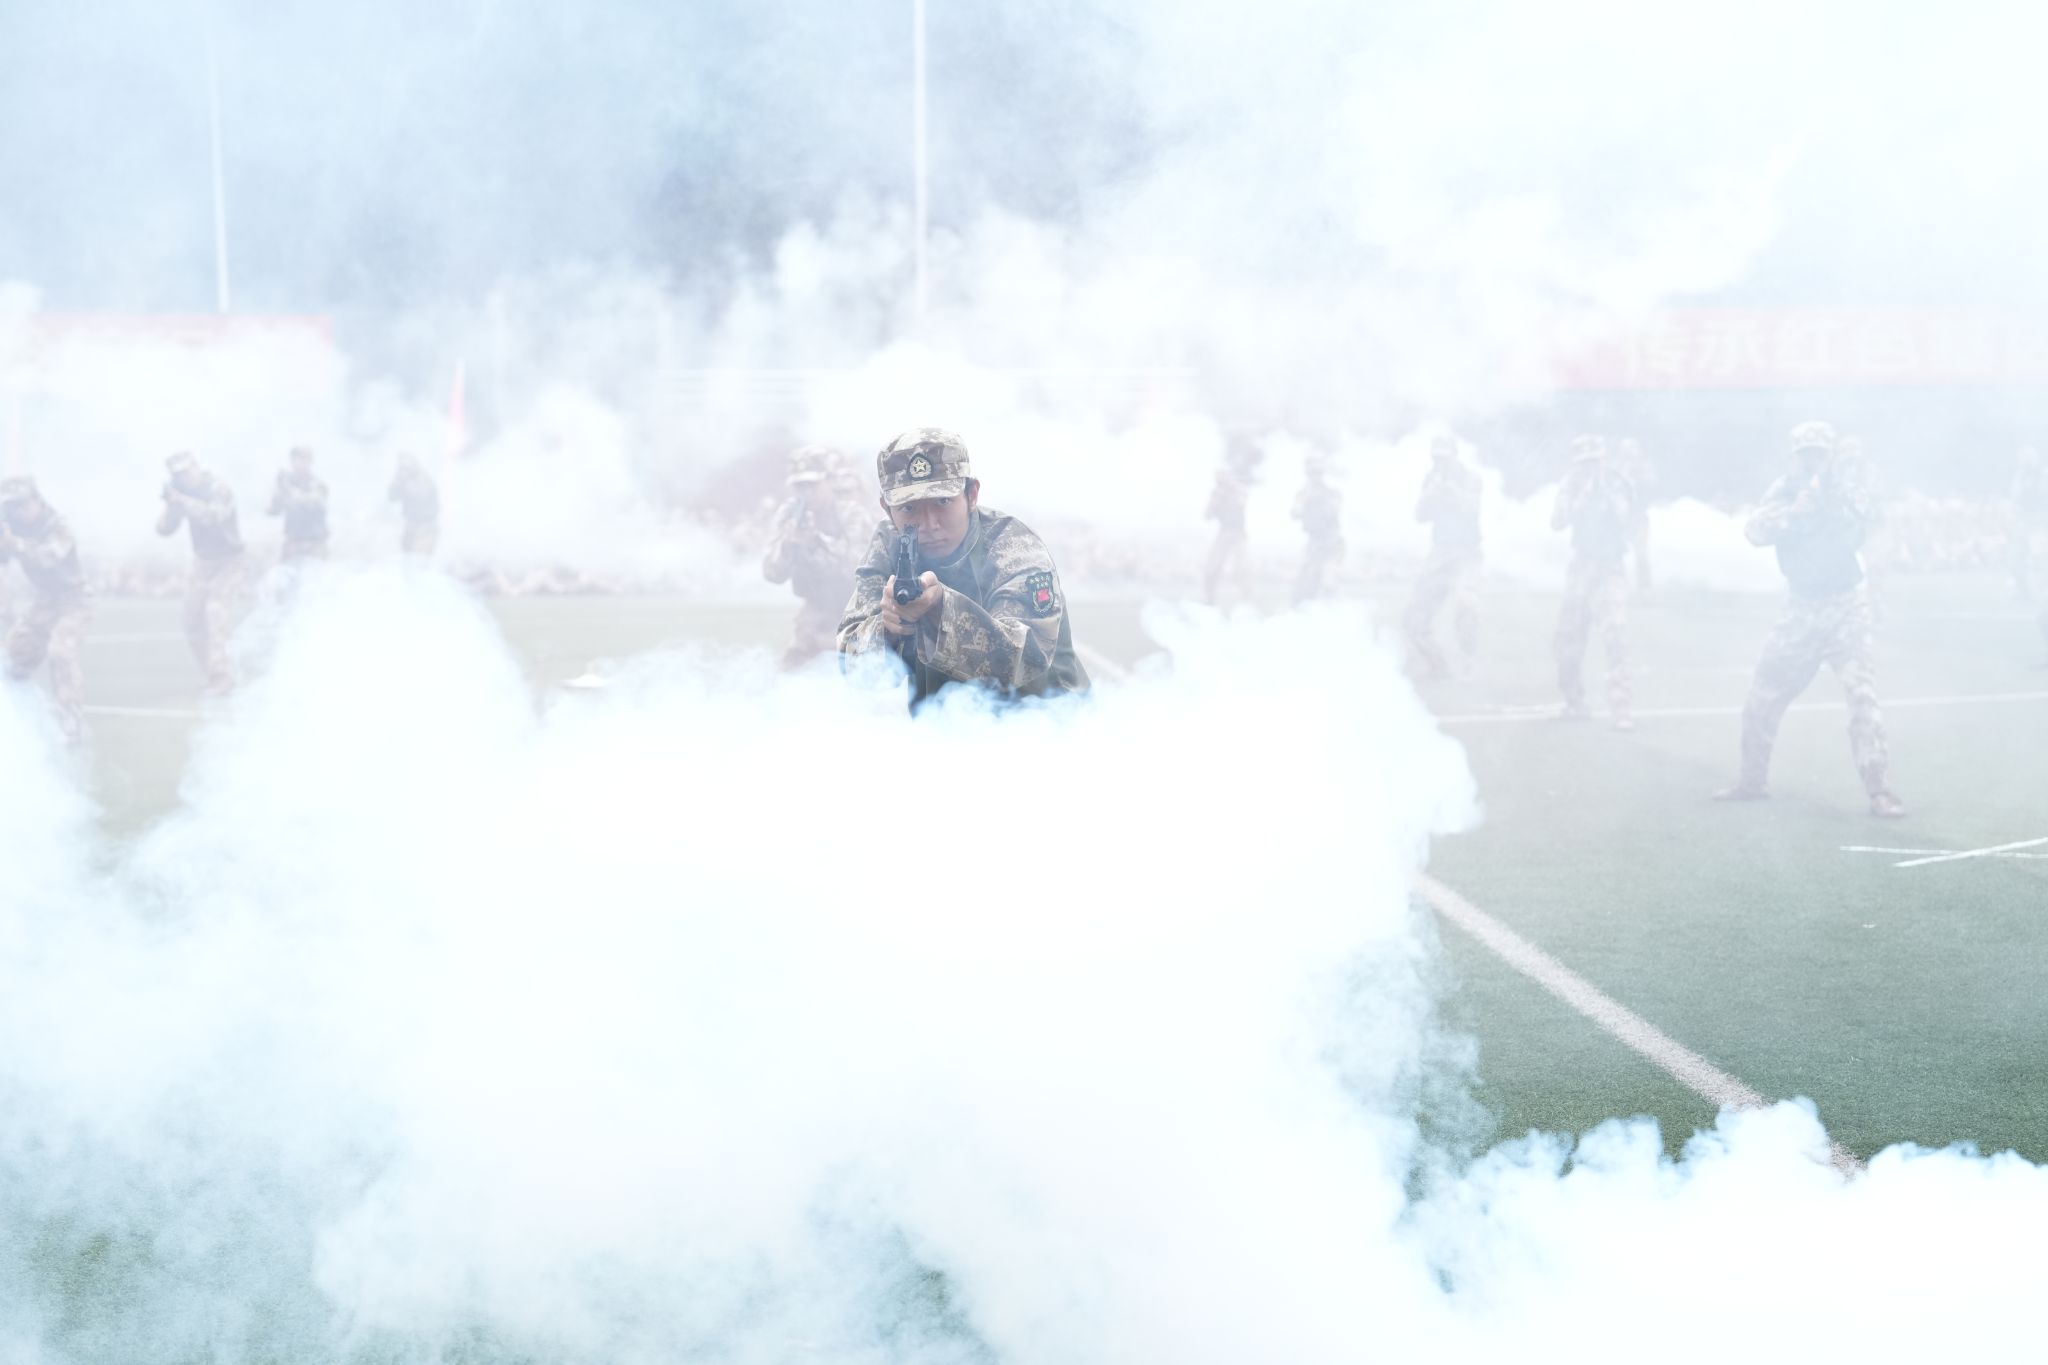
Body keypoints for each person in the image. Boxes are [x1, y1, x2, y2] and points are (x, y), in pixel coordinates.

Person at [1714, 420, 1905, 818]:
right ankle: (1752, 780)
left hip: (1845, 608)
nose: (1814, 461)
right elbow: (1753, 531)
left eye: (1821, 454)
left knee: (1863, 700)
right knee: (1762, 697)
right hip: (1801, 609)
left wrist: (1842, 499)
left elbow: (1874, 520)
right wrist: (1797, 512)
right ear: (1797, 458)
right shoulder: (1784, 490)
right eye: (1807, 455)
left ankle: (1880, 791)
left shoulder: (1847, 491)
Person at [837, 427, 1089, 707]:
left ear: (972, 494)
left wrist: (940, 608)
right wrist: (889, 629)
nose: (929, 524)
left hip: (1049, 723)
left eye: (942, 502)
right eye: (909, 508)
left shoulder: (1012, 547)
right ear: (887, 509)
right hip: (949, 724)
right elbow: (854, 668)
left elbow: (1022, 660)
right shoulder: (890, 544)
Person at [1551, 435, 1636, 729]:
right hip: (1581, 566)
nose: (1589, 468)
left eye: (1594, 462)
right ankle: (1574, 701)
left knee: (1615, 633)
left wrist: (1607, 499)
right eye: (1584, 463)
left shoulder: (1617, 483)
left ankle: (1621, 707)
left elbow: (1627, 520)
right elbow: (1557, 521)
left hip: (1609, 567)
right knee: (1567, 638)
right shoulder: (1570, 484)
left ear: (1603, 460)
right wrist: (1581, 499)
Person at [0, 477, 89, 740]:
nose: (18, 512)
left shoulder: (58, 525)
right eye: (12, 507)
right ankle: (18, 713)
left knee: (61, 651)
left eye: (22, 505)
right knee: (16, 654)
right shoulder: (12, 528)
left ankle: (71, 717)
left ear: (37, 501)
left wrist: (12, 542)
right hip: (45, 601)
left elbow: (48, 557)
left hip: (75, 599)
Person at [764, 445, 867, 667]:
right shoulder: (789, 513)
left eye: (812, 485)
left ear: (829, 481)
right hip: (814, 612)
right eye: (799, 486)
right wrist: (789, 545)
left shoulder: (850, 513)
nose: (806, 493)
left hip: (854, 612)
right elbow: (772, 573)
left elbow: (860, 568)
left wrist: (817, 542)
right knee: (791, 676)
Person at [155, 450, 246, 695]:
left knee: (215, 612)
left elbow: (213, 516)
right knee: (192, 622)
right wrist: (171, 505)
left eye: (186, 471)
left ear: (196, 466)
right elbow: (164, 529)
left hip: (230, 560)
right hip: (203, 561)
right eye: (178, 475)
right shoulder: (181, 493)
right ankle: (213, 675)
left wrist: (182, 500)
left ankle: (222, 677)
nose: (184, 477)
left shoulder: (218, 488)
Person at [1404, 435, 1482, 679]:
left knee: (1465, 604)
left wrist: (1453, 491)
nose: (1440, 463)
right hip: (1440, 552)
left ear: (1454, 456)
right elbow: (1419, 516)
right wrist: (1431, 494)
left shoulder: (1470, 479)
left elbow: (1472, 509)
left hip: (1467, 552)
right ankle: (1436, 664)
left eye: (1444, 459)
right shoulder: (1432, 479)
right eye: (1436, 459)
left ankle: (1469, 660)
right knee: (1414, 615)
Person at [1202, 437, 1257, 606]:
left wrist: (1229, 492)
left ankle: (1247, 600)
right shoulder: (1217, 493)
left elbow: (1242, 504)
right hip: (1224, 533)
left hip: (1238, 534)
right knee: (1211, 568)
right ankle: (1209, 599)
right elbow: (1207, 515)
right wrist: (1216, 499)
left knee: (1242, 569)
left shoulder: (1238, 490)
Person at [1291, 454, 1344, 604]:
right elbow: (1295, 513)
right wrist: (1306, 500)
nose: (1316, 476)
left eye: (1318, 473)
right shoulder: (1302, 494)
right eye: (1312, 473)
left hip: (1332, 541)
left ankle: (1332, 610)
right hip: (1314, 542)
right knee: (1306, 583)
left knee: (1329, 581)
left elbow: (1335, 509)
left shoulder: (1331, 492)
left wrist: (1320, 500)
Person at [267, 445, 330, 562]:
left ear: (310, 462)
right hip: (293, 544)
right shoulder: (287, 484)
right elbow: (273, 511)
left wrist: (287, 488)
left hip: (315, 544)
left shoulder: (318, 484)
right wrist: (279, 489)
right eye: (296, 460)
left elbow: (309, 501)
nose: (299, 464)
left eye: (304, 460)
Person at [1613, 437, 1654, 591]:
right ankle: (1619, 588)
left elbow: (1650, 488)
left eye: (1632, 450)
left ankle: (1645, 590)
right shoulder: (1615, 469)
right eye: (1626, 450)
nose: (1630, 453)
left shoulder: (1644, 468)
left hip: (1638, 518)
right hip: (1618, 519)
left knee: (1641, 555)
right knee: (1616, 555)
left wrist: (1638, 476)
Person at [389, 452, 441, 556]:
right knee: (406, 549)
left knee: (421, 556)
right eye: (402, 466)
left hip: (426, 523)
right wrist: (397, 483)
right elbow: (393, 497)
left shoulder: (423, 477)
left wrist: (404, 483)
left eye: (406, 466)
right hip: (412, 522)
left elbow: (422, 495)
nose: (404, 469)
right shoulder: (403, 479)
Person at [2013, 445, 2045, 602]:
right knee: (2017, 557)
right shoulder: (2021, 477)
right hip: (2025, 523)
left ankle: (2038, 589)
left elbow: (2038, 498)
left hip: (2038, 524)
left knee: (2037, 558)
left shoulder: (2040, 475)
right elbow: (2017, 499)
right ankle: (2024, 589)